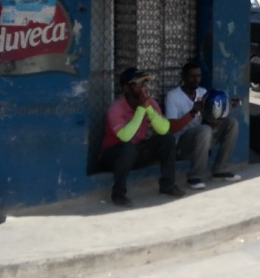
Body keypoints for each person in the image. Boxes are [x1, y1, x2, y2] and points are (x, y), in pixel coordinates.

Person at [100, 67, 185, 207]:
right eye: (138, 84)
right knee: (128, 148)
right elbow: (126, 137)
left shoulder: (149, 103)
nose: (143, 88)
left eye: (144, 83)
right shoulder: (116, 108)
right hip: (114, 155)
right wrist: (141, 109)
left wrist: (149, 110)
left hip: (136, 151)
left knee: (167, 139)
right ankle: (118, 194)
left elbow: (164, 129)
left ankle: (168, 185)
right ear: (126, 88)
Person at [164, 60, 240, 190]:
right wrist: (192, 112)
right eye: (192, 76)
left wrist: (224, 109)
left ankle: (220, 170)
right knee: (204, 130)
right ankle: (194, 176)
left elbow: (207, 119)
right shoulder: (173, 96)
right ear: (183, 77)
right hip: (181, 145)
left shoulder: (203, 92)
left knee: (231, 123)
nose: (196, 79)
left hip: (203, 140)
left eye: (198, 76)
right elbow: (172, 128)